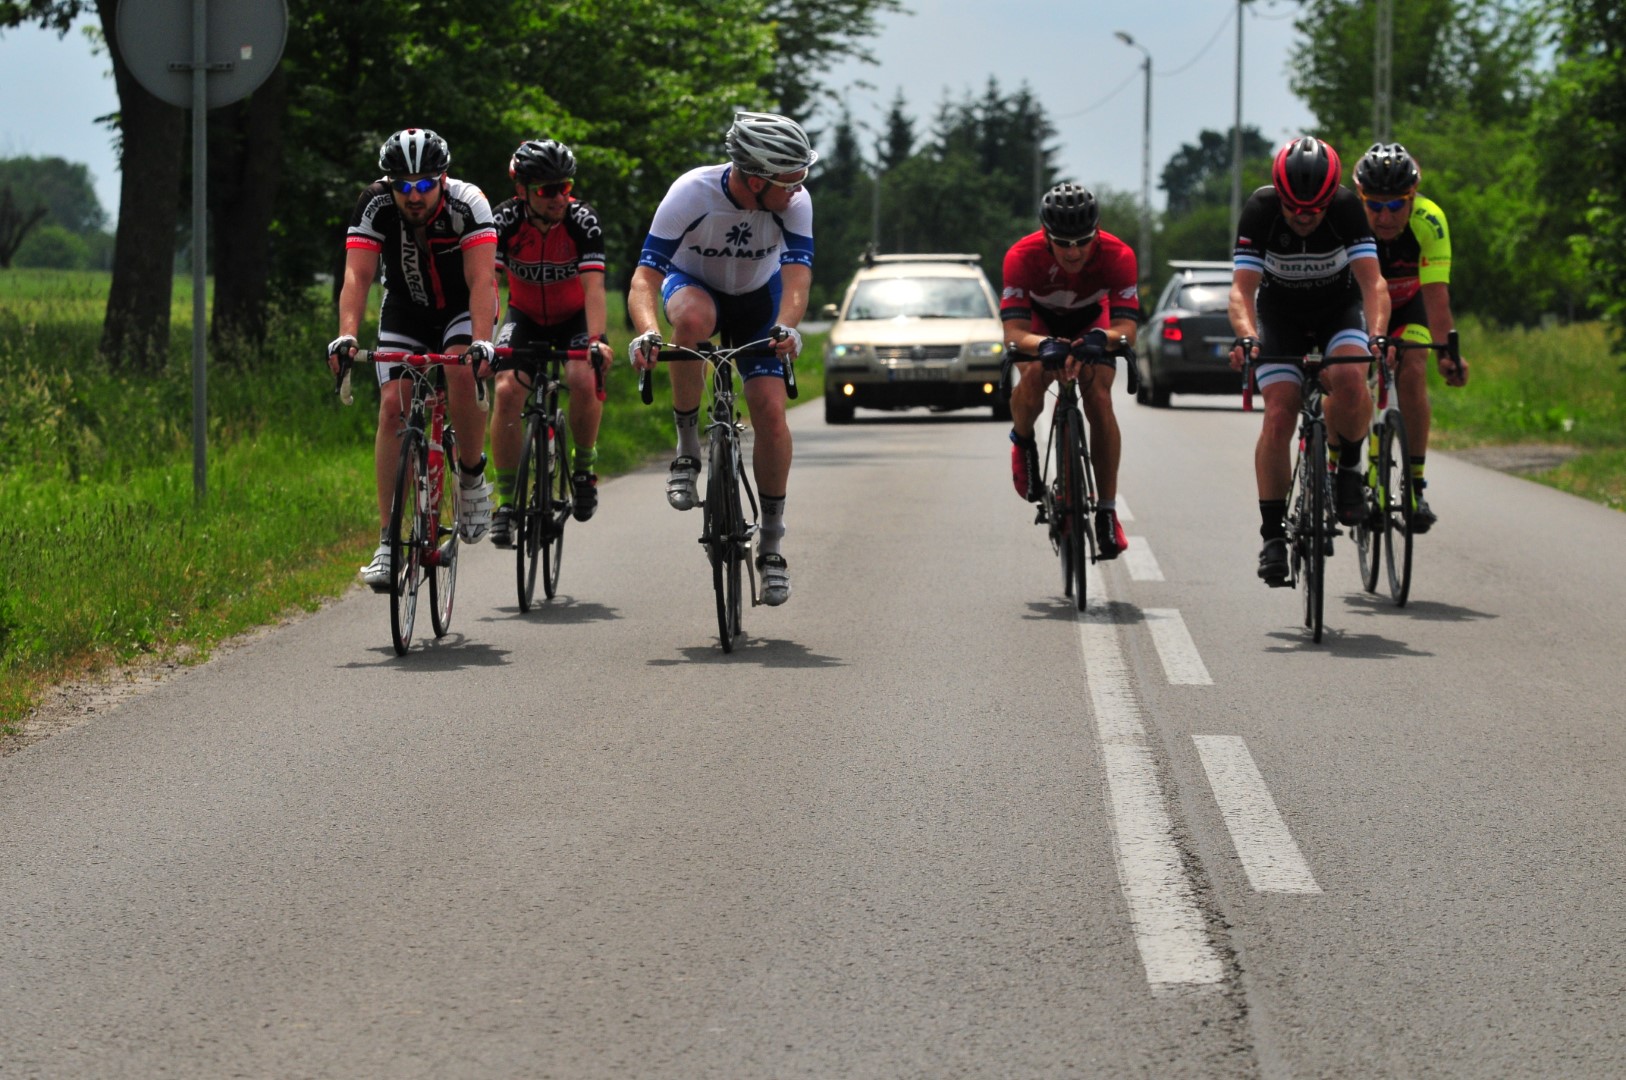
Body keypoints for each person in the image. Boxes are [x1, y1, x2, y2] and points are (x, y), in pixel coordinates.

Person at [626, 111, 816, 607]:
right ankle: (688, 449)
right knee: (692, 321)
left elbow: (797, 277)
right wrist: (648, 332)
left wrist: (787, 326)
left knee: (770, 411)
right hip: (695, 287)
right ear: (756, 180)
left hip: (759, 301)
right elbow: (645, 277)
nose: (799, 188)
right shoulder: (692, 193)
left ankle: (771, 545)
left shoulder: (794, 202)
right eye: (790, 180)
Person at [326, 128, 497, 590]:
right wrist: (346, 336)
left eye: (425, 184)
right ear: (390, 183)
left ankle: (471, 476)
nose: (414, 195)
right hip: (406, 307)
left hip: (462, 308)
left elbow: (483, 280)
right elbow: (357, 276)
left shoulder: (468, 203)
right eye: (403, 185)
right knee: (392, 406)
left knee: (459, 370)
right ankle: (388, 542)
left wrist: (482, 342)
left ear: (443, 179)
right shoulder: (375, 203)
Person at [1228, 136, 1388, 585]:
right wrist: (1247, 336)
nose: (1303, 216)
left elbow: (1372, 283)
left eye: (1314, 209)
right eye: (1294, 207)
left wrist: (1377, 334)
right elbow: (1242, 290)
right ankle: (1272, 536)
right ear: (1279, 196)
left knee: (1351, 379)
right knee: (1279, 412)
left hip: (1338, 310)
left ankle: (1349, 467)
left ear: (1329, 199)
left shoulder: (1346, 208)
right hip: (1281, 317)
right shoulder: (1260, 210)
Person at [1000, 182, 1140, 559]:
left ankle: (1107, 511)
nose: (1073, 251)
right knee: (1034, 375)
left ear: (1097, 232)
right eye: (1063, 242)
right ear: (1046, 236)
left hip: (1093, 322)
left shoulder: (1118, 255)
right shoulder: (1021, 256)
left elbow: (1127, 330)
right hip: (1040, 324)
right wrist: (1045, 345)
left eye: (1083, 241)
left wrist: (1101, 339)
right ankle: (1023, 441)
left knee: (1099, 396)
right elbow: (1014, 333)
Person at [487, 138, 614, 547]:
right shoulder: (503, 221)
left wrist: (596, 341)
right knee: (506, 391)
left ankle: (584, 468)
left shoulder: (583, 220)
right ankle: (506, 502)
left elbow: (594, 288)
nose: (560, 197)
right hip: (524, 316)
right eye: (547, 190)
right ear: (521, 190)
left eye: (565, 186)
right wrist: (482, 340)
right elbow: (488, 285)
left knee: (582, 376)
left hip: (574, 319)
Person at [1354, 142, 1470, 534]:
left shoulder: (1429, 220)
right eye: (1375, 206)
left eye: (1395, 205)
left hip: (1409, 306)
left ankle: (1415, 486)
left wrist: (1448, 354)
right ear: (1361, 198)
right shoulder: (1348, 221)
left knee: (1414, 368)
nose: (1385, 216)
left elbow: (1436, 295)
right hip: (1361, 306)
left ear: (1413, 198)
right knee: (1351, 373)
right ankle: (1352, 472)